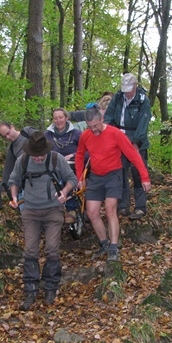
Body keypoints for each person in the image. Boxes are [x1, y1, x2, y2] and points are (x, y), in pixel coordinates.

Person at [8, 132, 78, 311]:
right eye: (35, 155)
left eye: (41, 154)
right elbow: (14, 180)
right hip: (30, 211)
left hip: (53, 210)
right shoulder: (22, 161)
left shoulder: (56, 159)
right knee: (30, 249)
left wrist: (64, 192)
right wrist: (14, 196)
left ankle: (50, 287)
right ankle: (30, 290)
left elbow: (72, 179)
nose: (38, 158)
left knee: (52, 249)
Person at [74, 107, 151, 262]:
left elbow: (132, 154)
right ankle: (104, 243)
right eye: (90, 127)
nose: (93, 130)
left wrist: (144, 177)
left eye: (95, 126)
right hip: (95, 177)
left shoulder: (115, 133)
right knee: (92, 212)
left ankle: (114, 247)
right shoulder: (85, 135)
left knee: (110, 209)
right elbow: (80, 154)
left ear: (102, 119)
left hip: (113, 175)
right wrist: (80, 176)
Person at [103, 73, 151, 220]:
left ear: (135, 86)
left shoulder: (143, 101)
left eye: (130, 89)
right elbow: (109, 117)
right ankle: (123, 205)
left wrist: (136, 144)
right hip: (119, 137)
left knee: (138, 172)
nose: (128, 92)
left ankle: (140, 206)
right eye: (125, 89)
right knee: (120, 171)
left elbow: (143, 124)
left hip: (136, 138)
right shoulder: (117, 98)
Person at [44, 108, 82, 223]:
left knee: (67, 177)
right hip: (53, 165)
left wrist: (73, 155)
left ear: (66, 118)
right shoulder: (47, 135)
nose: (58, 120)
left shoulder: (77, 134)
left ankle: (71, 208)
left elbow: (87, 151)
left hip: (72, 164)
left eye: (61, 117)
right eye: (55, 118)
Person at [0, 121, 37, 186]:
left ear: (12, 127)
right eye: (4, 136)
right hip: (29, 180)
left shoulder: (28, 132)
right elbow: (8, 169)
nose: (7, 137)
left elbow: (44, 142)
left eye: (8, 133)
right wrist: (4, 186)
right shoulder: (11, 150)